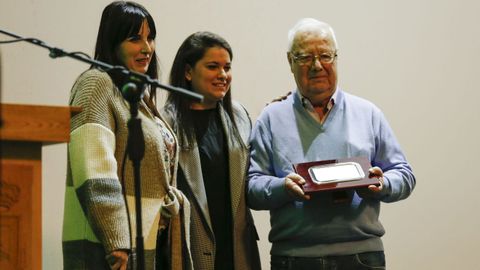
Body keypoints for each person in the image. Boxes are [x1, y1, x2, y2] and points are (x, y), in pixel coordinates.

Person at [247, 18, 416, 270]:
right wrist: (283, 187)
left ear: (336, 58)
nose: (317, 66)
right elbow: (252, 188)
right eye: (305, 57)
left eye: (325, 56)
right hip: (294, 258)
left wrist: (382, 184)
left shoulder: (368, 113)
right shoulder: (271, 118)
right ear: (290, 61)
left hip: (362, 256)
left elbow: (405, 175)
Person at [62, 2, 191, 269]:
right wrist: (117, 241)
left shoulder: (136, 95)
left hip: (146, 244)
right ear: (113, 42)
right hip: (110, 251)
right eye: (135, 38)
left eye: (150, 37)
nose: (147, 48)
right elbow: (95, 170)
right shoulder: (96, 83)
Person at [161, 31, 261, 270]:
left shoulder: (240, 116)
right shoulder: (165, 123)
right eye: (213, 67)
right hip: (190, 251)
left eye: (227, 67)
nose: (223, 75)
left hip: (238, 251)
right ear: (187, 72)